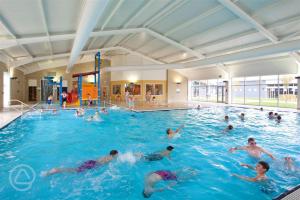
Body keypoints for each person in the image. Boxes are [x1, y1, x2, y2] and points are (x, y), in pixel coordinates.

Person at [44, 150, 118, 176]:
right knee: (75, 170)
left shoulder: (105, 155)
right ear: (114, 154)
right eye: (117, 154)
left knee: (77, 168)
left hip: (91, 161)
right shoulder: (111, 158)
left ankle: (57, 170)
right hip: (93, 164)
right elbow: (104, 165)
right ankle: (57, 170)